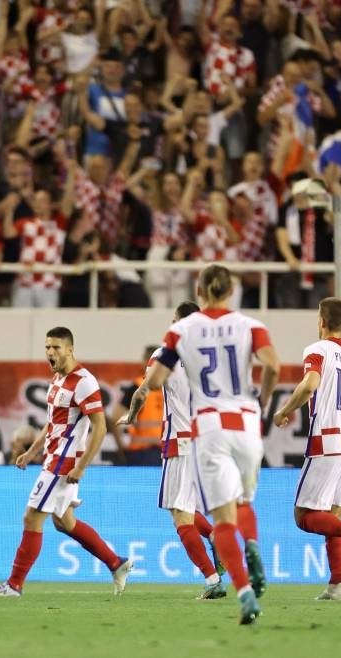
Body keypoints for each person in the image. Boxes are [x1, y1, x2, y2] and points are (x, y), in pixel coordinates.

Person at [143, 264, 281, 625]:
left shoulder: (182, 330)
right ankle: (251, 544)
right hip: (247, 422)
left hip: (207, 429)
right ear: (232, 290)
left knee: (218, 516)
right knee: (243, 504)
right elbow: (273, 366)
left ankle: (243, 593)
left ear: (201, 291)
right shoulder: (252, 326)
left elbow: (155, 379)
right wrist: (261, 401)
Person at [0, 326, 133, 597]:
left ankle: (14, 585)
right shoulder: (57, 380)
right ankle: (116, 562)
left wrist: (82, 466)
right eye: (47, 347)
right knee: (64, 522)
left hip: (64, 464)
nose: (50, 352)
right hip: (52, 458)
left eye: (56, 348)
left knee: (32, 517)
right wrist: (31, 452)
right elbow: (52, 424)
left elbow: (100, 427)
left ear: (70, 349)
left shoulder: (84, 381)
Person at [272, 298, 341, 601]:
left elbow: (309, 385)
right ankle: (337, 585)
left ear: (321, 321)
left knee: (304, 516)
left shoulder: (317, 350)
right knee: (331, 515)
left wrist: (284, 410)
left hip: (327, 442)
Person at [118, 302, 226, 600]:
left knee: (180, 515)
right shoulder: (212, 356)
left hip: (180, 441)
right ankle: (214, 536)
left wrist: (132, 415)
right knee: (186, 506)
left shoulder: (166, 353)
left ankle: (212, 579)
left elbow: (143, 390)